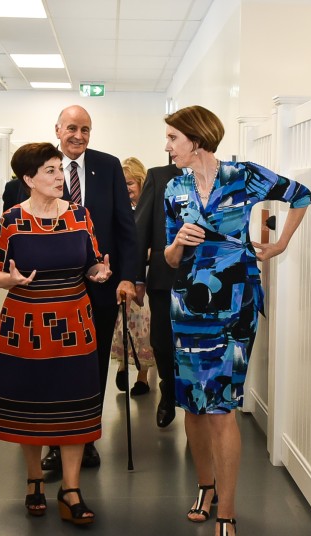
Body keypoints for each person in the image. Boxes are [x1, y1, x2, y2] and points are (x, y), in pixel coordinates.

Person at [162, 106, 311, 536]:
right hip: (187, 306)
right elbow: (170, 257)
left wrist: (280, 243)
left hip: (236, 306)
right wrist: (177, 243)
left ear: (197, 137)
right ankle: (204, 487)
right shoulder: (176, 187)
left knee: (222, 405)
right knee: (192, 402)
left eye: (173, 138)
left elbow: (300, 195)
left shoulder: (244, 175)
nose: (168, 146)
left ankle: (226, 508)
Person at [0, 142, 112, 525]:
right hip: (24, 325)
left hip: (74, 325)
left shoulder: (81, 215)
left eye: (58, 169)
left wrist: (100, 272)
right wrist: (8, 280)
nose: (58, 177)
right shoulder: (12, 220)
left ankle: (70, 490)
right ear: (28, 179)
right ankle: (34, 481)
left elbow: (92, 263)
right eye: (49, 171)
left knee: (75, 408)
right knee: (28, 407)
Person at [40, 105, 139, 472]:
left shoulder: (108, 166)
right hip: (53, 288)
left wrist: (128, 276)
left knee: (93, 364)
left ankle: (86, 438)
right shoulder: (42, 166)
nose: (78, 136)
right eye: (71, 128)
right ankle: (53, 441)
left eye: (85, 129)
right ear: (58, 130)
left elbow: (125, 226)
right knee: (54, 364)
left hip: (101, 287)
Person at [134, 161, 182, 427]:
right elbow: (141, 230)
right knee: (162, 341)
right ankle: (168, 388)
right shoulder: (158, 176)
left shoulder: (218, 175)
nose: (168, 145)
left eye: (174, 137)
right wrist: (137, 277)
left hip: (205, 279)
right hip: (164, 276)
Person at [111, 157, 155, 396]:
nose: (126, 189)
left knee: (144, 327)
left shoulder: (151, 208)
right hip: (124, 274)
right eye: (123, 184)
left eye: (130, 183)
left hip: (147, 275)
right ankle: (121, 366)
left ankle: (142, 376)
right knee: (122, 323)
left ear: (140, 181)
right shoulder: (120, 209)